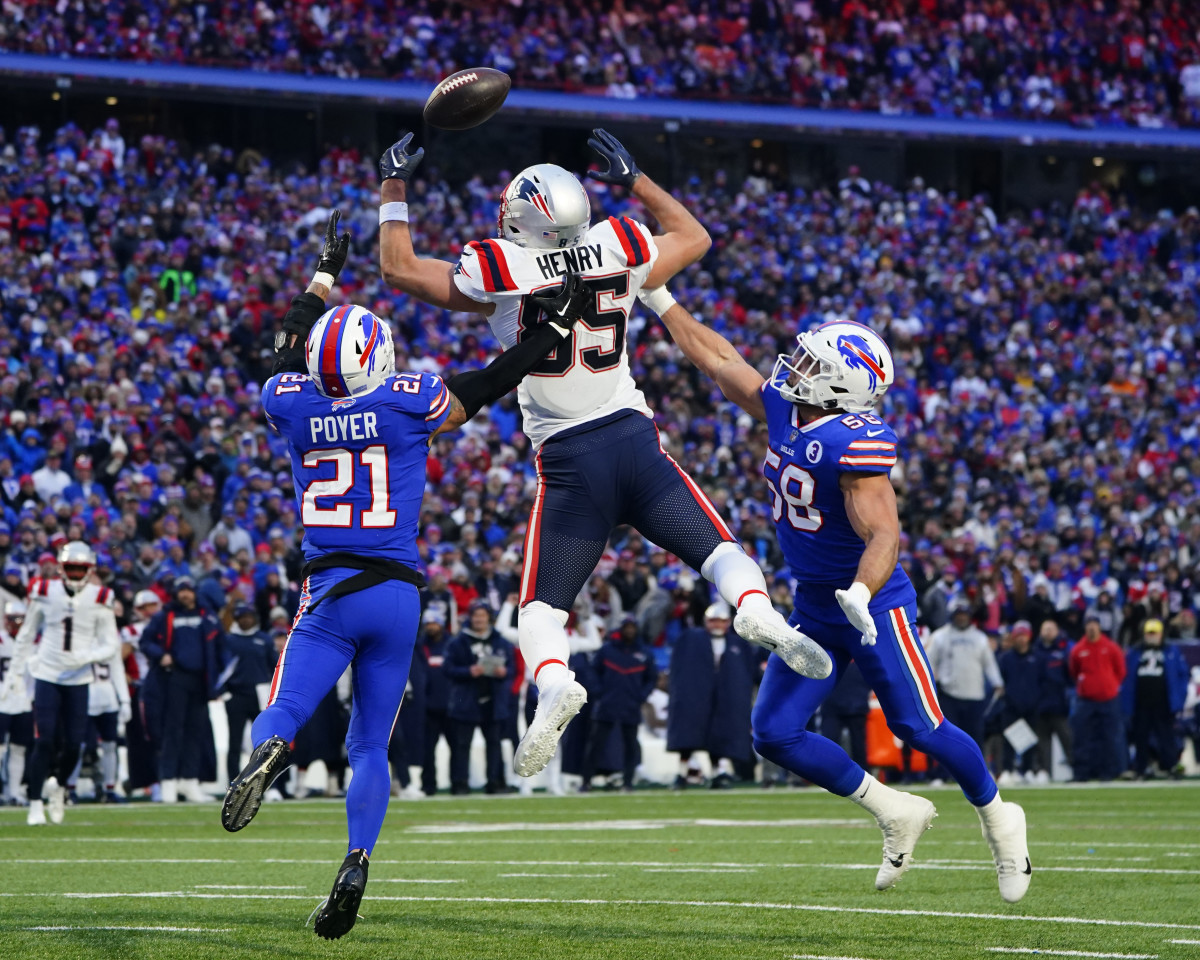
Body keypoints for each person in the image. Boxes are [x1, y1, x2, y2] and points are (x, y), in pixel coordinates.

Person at [376, 129, 831, 780]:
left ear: (520, 219)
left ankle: (555, 682)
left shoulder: (500, 266)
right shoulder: (618, 244)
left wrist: (393, 188)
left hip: (569, 461)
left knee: (540, 608)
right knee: (719, 551)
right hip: (635, 440)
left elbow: (399, 269)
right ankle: (756, 609)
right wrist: (637, 180)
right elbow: (695, 238)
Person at [220, 211, 595, 940]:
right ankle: (357, 857)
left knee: (288, 708)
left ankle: (273, 751)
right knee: (368, 746)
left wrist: (321, 277)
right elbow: (487, 383)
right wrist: (549, 334)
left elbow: (283, 348)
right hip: (395, 594)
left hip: (328, 591)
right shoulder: (406, 403)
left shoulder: (289, 405)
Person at [641, 288, 1031, 902]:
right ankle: (894, 809)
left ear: (845, 389)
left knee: (919, 726)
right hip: (816, 604)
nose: (798, 368)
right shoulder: (787, 410)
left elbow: (884, 531)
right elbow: (717, 359)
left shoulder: (856, 441)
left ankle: (1001, 820)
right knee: (773, 732)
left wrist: (860, 589)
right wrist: (660, 299)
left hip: (872, 603)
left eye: (817, 366)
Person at [1, 541, 120, 826]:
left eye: (81, 569)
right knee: (44, 741)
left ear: (90, 570)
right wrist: (14, 676)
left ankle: (58, 787)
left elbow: (110, 644)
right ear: (61, 568)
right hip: (48, 675)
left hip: (79, 678)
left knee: (75, 745)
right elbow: (27, 635)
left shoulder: (100, 596)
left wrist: (85, 656)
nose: (77, 574)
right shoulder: (44, 591)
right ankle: (34, 802)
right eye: (71, 568)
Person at [140, 575, 225, 803]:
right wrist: (161, 655)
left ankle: (189, 781)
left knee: (195, 732)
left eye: (189, 590)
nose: (185, 594)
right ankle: (168, 782)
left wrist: (220, 681)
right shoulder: (165, 615)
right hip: (173, 679)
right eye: (181, 590)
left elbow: (220, 647)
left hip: (200, 680)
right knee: (172, 732)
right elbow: (145, 642)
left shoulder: (206, 615)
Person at [667, 602, 759, 789]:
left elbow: (748, 672)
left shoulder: (737, 644)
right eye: (713, 621)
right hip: (696, 695)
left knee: (723, 735)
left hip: (724, 697)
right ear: (706, 621)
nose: (717, 625)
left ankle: (720, 773)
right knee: (688, 735)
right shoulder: (691, 639)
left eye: (721, 621)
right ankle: (682, 773)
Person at [445, 602, 517, 794]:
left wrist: (503, 671)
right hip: (466, 700)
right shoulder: (457, 642)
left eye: (482, 615)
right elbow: (448, 669)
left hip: (493, 701)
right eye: (476, 615)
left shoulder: (500, 641)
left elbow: (512, 669)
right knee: (461, 745)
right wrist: (468, 671)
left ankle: (495, 783)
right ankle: (459, 784)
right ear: (470, 617)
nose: (479, 619)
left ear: (489, 618)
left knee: (494, 744)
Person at [581, 617, 657, 792]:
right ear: (621, 629)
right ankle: (586, 781)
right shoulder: (607, 650)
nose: (630, 631)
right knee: (596, 744)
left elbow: (651, 678)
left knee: (631, 745)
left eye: (633, 627)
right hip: (607, 703)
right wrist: (599, 692)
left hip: (630, 704)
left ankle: (628, 782)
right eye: (626, 627)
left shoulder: (644, 653)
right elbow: (592, 671)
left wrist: (641, 696)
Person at [925, 600, 1004, 749]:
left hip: (975, 695)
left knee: (974, 737)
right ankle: (946, 772)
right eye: (958, 614)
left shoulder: (979, 637)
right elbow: (928, 662)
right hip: (949, 695)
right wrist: (930, 682)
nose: (961, 618)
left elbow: (989, 664)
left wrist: (997, 683)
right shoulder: (940, 636)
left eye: (964, 614)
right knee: (949, 739)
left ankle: (975, 772)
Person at [1121, 619, 1188, 779]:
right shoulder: (1135, 651)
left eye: (1155, 633)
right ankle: (1141, 768)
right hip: (1141, 702)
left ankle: (1170, 766)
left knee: (1166, 736)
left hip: (1163, 702)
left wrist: (1179, 698)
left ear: (1161, 634)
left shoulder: (1171, 650)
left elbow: (1182, 674)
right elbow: (1126, 676)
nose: (1152, 636)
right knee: (1140, 737)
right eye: (1149, 633)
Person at [221, 604, 276, 783]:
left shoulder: (264, 639)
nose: (246, 620)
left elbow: (274, 666)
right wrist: (224, 692)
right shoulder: (229, 640)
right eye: (242, 617)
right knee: (234, 741)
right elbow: (219, 667)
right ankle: (233, 782)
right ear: (236, 619)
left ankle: (266, 782)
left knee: (265, 741)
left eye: (249, 616)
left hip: (259, 695)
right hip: (235, 695)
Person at [1068, 614, 1127, 781]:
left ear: (1099, 627)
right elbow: (1074, 671)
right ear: (1085, 628)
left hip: (1108, 698)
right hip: (1086, 699)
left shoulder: (1111, 647)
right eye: (1089, 625)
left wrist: (1110, 685)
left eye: (1094, 625)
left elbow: (1121, 670)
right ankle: (1082, 773)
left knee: (1109, 736)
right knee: (1083, 736)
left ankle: (1108, 772)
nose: (1092, 628)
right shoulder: (1078, 649)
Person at [85, 612, 132, 803]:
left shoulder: (110, 641)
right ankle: (71, 787)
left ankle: (110, 787)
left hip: (108, 698)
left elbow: (118, 671)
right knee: (81, 747)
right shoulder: (78, 640)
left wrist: (124, 700)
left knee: (110, 744)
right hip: (84, 698)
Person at [0, 599, 33, 805]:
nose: (17, 624)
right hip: (1, 702)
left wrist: (30, 697)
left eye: (21, 620)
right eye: (13, 619)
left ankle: (14, 791)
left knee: (19, 748)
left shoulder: (31, 643)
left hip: (22, 701)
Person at [1033, 619, 1073, 777]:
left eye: (1051, 628)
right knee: (1042, 744)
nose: (1048, 632)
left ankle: (1077, 770)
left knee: (1068, 740)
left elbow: (1070, 677)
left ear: (1057, 631)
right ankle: (1045, 773)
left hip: (1059, 706)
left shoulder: (1065, 650)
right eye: (1045, 628)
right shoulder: (1035, 651)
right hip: (1041, 706)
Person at [417, 618, 451, 796]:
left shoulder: (452, 643)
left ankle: (459, 784)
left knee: (458, 748)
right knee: (428, 749)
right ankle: (428, 785)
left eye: (435, 623)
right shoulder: (420, 645)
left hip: (450, 705)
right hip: (428, 706)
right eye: (428, 623)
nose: (431, 626)